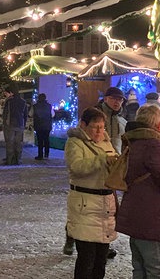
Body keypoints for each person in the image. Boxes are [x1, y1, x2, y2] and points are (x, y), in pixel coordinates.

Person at [64, 107, 118, 279]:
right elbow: (77, 167)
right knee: (87, 258)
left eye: (102, 127)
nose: (99, 131)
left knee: (101, 259)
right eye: (95, 127)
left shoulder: (106, 142)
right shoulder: (75, 142)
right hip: (85, 205)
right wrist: (101, 159)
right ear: (83, 125)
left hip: (105, 207)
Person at [116, 104, 160, 278]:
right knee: (156, 269)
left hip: (135, 215)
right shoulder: (153, 146)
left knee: (139, 268)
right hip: (152, 218)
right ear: (158, 124)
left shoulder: (132, 142)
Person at [95, 87, 126, 154]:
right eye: (114, 98)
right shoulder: (94, 117)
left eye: (120, 99)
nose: (117, 102)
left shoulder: (123, 122)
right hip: (98, 158)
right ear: (105, 99)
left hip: (117, 159)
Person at [2, 84, 28, 165]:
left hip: (10, 124)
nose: (5, 95)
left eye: (6, 93)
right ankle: (18, 160)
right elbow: (25, 115)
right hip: (20, 124)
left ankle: (9, 160)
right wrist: (23, 123)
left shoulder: (9, 101)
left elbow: (5, 113)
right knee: (18, 143)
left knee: (10, 143)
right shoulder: (23, 102)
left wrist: (4, 123)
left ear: (11, 92)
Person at [31, 93, 53, 160]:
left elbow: (30, 114)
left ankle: (40, 155)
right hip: (47, 126)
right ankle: (46, 154)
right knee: (46, 139)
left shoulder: (35, 106)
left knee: (40, 140)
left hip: (38, 126)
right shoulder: (49, 106)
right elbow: (53, 115)